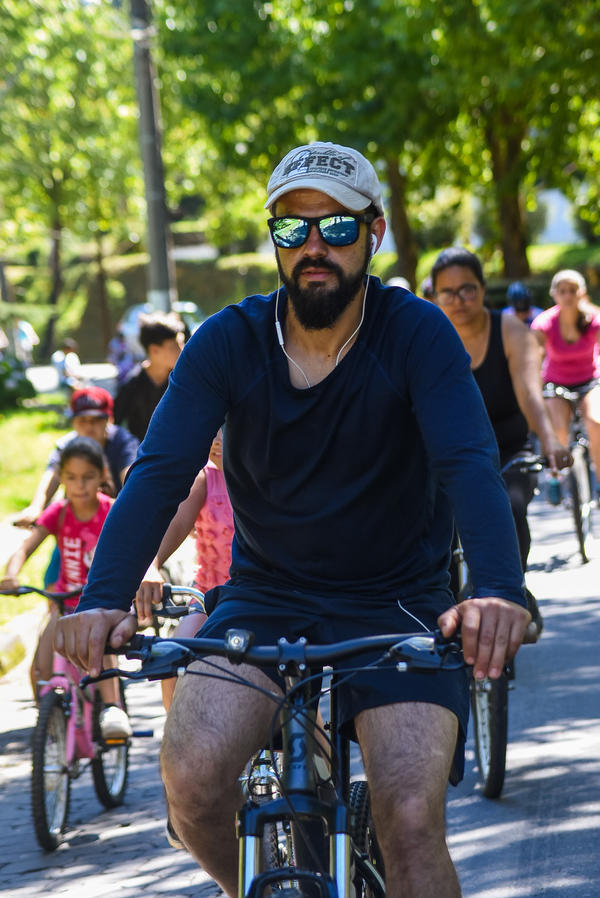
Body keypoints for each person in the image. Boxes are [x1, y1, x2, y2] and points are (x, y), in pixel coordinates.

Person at [56, 141, 531, 898]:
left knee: (410, 819)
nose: (314, 247)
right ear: (273, 238)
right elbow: (160, 471)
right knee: (192, 783)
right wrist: (104, 595)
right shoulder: (227, 341)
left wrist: (500, 590)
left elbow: (468, 463)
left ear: (373, 234)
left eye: (336, 228)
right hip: (266, 597)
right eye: (293, 229)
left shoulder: (416, 333)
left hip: (399, 599)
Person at [430, 248, 571, 638]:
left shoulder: (511, 330)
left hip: (507, 451)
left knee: (508, 506)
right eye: (447, 293)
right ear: (434, 295)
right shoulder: (427, 334)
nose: (458, 301)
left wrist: (550, 441)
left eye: (467, 290)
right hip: (445, 456)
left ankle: (513, 590)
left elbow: (530, 395)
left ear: (482, 289)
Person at [1, 437, 130, 738]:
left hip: (99, 604)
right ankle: (51, 727)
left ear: (102, 476)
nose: (79, 485)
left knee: (103, 649)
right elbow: (26, 547)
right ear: (62, 480)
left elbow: (130, 548)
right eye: (70, 478)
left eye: (87, 477)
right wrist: (11, 573)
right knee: (41, 668)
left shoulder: (111, 510)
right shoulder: (58, 512)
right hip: (63, 605)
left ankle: (113, 708)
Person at [13, 386, 140, 530]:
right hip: (76, 520)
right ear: (73, 422)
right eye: (82, 420)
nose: (89, 426)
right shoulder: (66, 445)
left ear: (109, 420)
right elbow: (52, 476)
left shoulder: (123, 442)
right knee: (58, 551)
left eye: (96, 420)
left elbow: (130, 476)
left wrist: (132, 506)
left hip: (115, 517)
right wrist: (36, 507)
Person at [531, 269, 600, 492]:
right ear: (555, 295)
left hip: (589, 380)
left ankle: (599, 479)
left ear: (582, 293)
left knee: (595, 422)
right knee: (557, 428)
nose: (568, 295)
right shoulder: (544, 323)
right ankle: (556, 476)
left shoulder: (594, 320)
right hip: (556, 382)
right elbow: (534, 356)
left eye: (572, 290)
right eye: (562, 291)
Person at [113, 312, 186, 442]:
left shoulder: (182, 382)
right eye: (175, 346)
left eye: (182, 343)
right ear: (154, 350)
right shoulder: (131, 385)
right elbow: (115, 426)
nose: (183, 350)